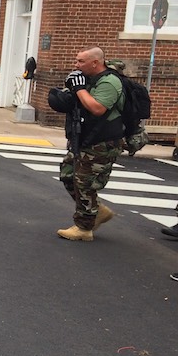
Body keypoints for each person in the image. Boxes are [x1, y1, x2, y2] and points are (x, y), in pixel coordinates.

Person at [55, 47, 125, 241]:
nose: (76, 65)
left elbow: (97, 108)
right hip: (85, 138)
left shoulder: (110, 82)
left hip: (103, 141)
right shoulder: (87, 79)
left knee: (84, 183)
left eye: (80, 62)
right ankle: (97, 211)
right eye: (76, 61)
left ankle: (84, 228)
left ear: (95, 62)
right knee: (68, 173)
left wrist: (79, 89)